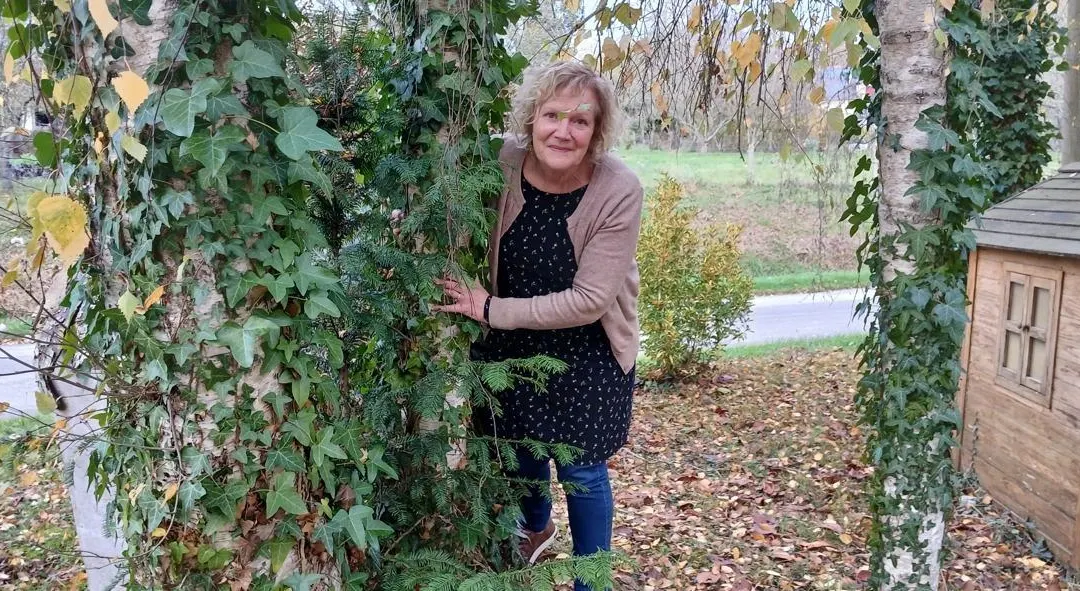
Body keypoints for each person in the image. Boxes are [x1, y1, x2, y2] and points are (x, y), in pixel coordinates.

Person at [432, 60, 643, 590]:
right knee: (518, 449)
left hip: (589, 351)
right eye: (552, 115)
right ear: (531, 117)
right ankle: (536, 525)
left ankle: (590, 580)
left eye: (581, 121)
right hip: (511, 342)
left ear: (597, 131)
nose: (563, 131)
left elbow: (590, 299)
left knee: (582, 472)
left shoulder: (619, 188)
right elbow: (447, 201)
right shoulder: (504, 162)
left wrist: (489, 310)